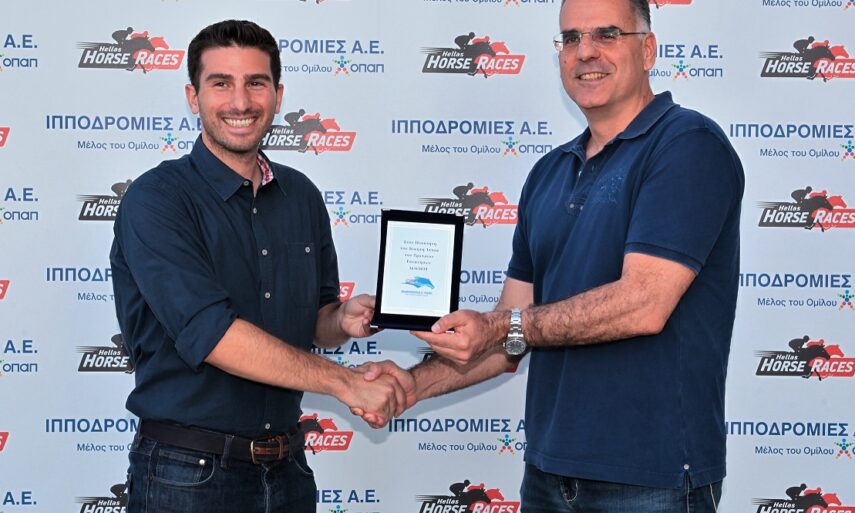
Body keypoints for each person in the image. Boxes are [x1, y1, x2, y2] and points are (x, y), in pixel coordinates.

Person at [365, 0, 744, 511]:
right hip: (548, 475)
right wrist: (409, 385)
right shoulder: (548, 173)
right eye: (570, 38)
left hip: (649, 477)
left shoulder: (687, 145)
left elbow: (644, 303)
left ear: (648, 49)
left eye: (607, 34)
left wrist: (501, 327)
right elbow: (510, 337)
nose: (585, 52)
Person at [110, 20, 413, 513]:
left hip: (288, 469)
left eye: (256, 82)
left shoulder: (302, 195)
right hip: (187, 476)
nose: (241, 101)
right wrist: (346, 383)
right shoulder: (157, 200)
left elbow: (315, 320)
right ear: (193, 97)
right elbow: (212, 334)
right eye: (221, 83)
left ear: (278, 95)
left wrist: (342, 319)